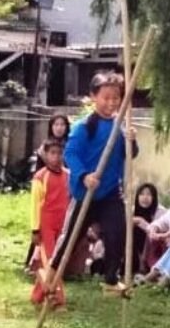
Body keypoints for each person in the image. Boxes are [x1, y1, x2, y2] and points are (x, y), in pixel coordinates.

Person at [50, 71, 137, 288]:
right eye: (106, 97)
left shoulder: (120, 127)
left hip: (109, 193)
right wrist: (84, 176)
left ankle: (110, 278)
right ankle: (51, 275)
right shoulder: (84, 126)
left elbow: (130, 154)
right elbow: (71, 154)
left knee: (118, 232)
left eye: (116, 98)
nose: (111, 102)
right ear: (94, 97)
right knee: (71, 238)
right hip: (85, 193)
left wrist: (132, 142)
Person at [24, 113, 71, 268]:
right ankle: (35, 264)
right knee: (43, 239)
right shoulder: (43, 148)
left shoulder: (70, 145)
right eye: (56, 124)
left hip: (62, 195)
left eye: (62, 124)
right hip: (47, 197)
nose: (59, 128)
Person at [29, 138, 70, 307]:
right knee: (53, 260)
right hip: (46, 224)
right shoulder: (40, 177)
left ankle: (38, 294)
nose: (56, 157)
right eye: (52, 153)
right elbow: (35, 204)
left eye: (59, 153)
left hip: (63, 223)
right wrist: (35, 229)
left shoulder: (69, 175)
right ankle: (56, 298)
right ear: (45, 155)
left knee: (59, 259)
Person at [130, 183, 163, 274]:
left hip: (154, 249)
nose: (145, 197)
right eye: (141, 194)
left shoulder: (160, 212)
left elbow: (156, 234)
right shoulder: (132, 210)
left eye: (149, 194)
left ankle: (145, 264)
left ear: (154, 197)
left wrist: (141, 222)